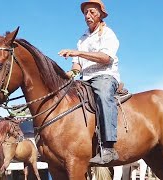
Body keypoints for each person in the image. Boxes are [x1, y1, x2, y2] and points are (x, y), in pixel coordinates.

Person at [58, 0, 120, 164]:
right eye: (86, 13)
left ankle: (108, 147)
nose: (88, 16)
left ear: (100, 14)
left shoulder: (108, 34)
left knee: (103, 95)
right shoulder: (82, 38)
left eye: (92, 12)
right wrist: (69, 74)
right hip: (84, 79)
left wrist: (77, 52)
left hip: (104, 76)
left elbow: (106, 58)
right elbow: (77, 65)